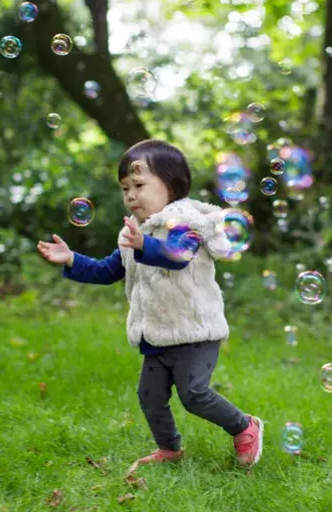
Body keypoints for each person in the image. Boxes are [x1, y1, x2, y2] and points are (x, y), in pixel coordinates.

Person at [36, 139, 264, 472]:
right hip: (157, 334)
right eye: (125, 187)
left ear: (171, 185)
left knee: (194, 394)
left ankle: (245, 426)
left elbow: (178, 257)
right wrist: (72, 259)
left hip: (195, 330)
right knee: (150, 395)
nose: (130, 195)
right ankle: (169, 448)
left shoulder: (188, 223)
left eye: (139, 185)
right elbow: (107, 270)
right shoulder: (134, 233)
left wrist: (145, 244)